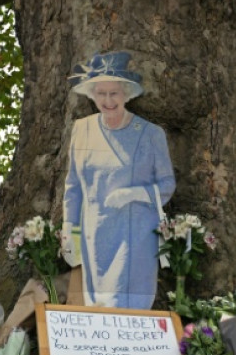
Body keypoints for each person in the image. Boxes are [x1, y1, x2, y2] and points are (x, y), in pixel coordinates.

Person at [62, 51, 175, 309]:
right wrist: (69, 226)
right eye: (101, 93)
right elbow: (73, 186)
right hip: (95, 235)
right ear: (92, 94)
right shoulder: (82, 130)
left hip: (136, 235)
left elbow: (168, 184)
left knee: (128, 309)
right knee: (99, 309)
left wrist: (134, 194)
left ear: (126, 93)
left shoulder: (150, 134)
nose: (108, 100)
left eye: (114, 93)